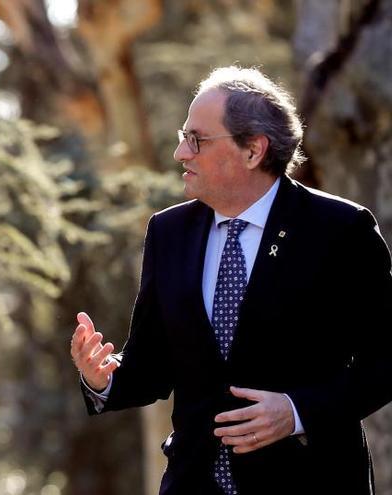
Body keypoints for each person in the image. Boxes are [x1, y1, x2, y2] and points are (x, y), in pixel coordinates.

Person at [70, 66, 392, 495]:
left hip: (311, 480)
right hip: (194, 481)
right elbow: (151, 366)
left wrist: (297, 412)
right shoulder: (168, 232)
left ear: (253, 150)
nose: (181, 154)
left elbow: (386, 362)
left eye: (196, 139)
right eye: (182, 137)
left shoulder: (340, 229)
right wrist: (104, 377)